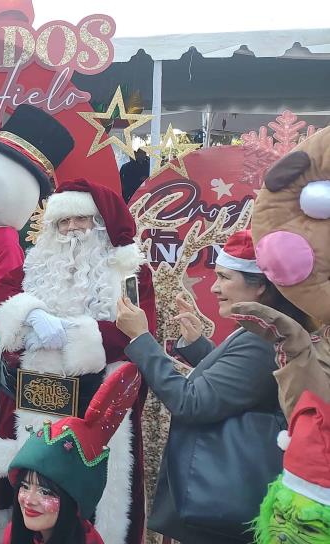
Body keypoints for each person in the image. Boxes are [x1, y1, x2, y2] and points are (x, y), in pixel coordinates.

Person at [0, 179, 155, 544]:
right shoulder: (37, 264)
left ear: (99, 223)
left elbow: (140, 335)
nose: (71, 230)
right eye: (62, 223)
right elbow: (2, 306)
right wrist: (27, 313)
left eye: (80, 220)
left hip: (89, 405)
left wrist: (74, 333)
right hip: (30, 400)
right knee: (23, 492)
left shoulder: (129, 273)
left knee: (82, 498)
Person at [116, 229, 306, 544]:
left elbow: (192, 403)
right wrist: (197, 346)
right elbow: (241, 387)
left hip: (223, 503)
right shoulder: (259, 330)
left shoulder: (262, 339)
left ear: (260, 287)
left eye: (224, 278)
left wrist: (141, 339)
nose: (215, 288)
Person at [4, 364, 142, 544]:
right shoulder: (14, 533)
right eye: (25, 486)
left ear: (74, 500)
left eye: (45, 492)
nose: (29, 500)